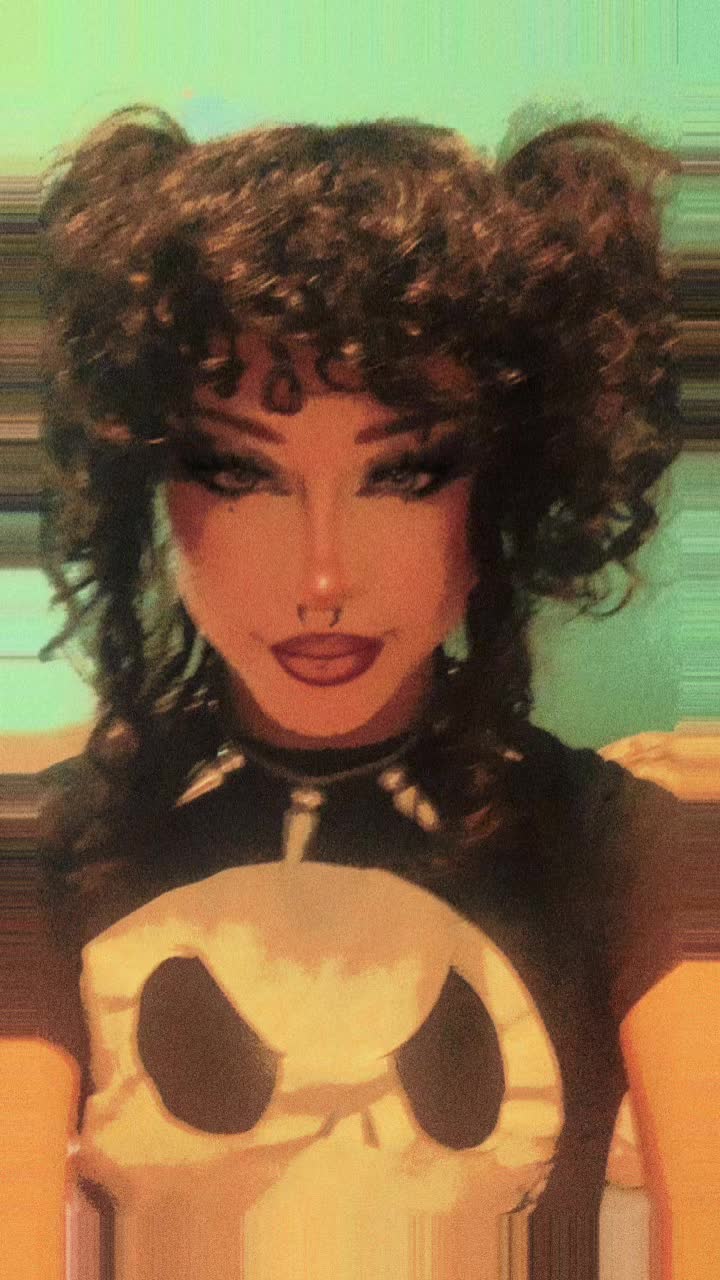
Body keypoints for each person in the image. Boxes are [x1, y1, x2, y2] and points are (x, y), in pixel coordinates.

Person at [2, 104, 710, 1280]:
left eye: (405, 473)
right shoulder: (44, 848)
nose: (322, 578)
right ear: (152, 487)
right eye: (242, 473)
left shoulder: (634, 849)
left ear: (505, 488)